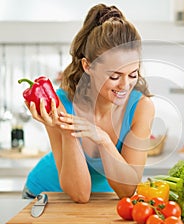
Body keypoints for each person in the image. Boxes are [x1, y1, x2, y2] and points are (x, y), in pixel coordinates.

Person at [22, 3, 155, 203]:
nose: (124, 85)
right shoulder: (60, 102)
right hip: (47, 197)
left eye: (133, 74)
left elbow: (127, 191)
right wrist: (67, 132)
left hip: (103, 200)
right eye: (114, 76)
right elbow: (80, 194)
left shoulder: (141, 108)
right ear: (88, 66)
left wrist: (102, 139)